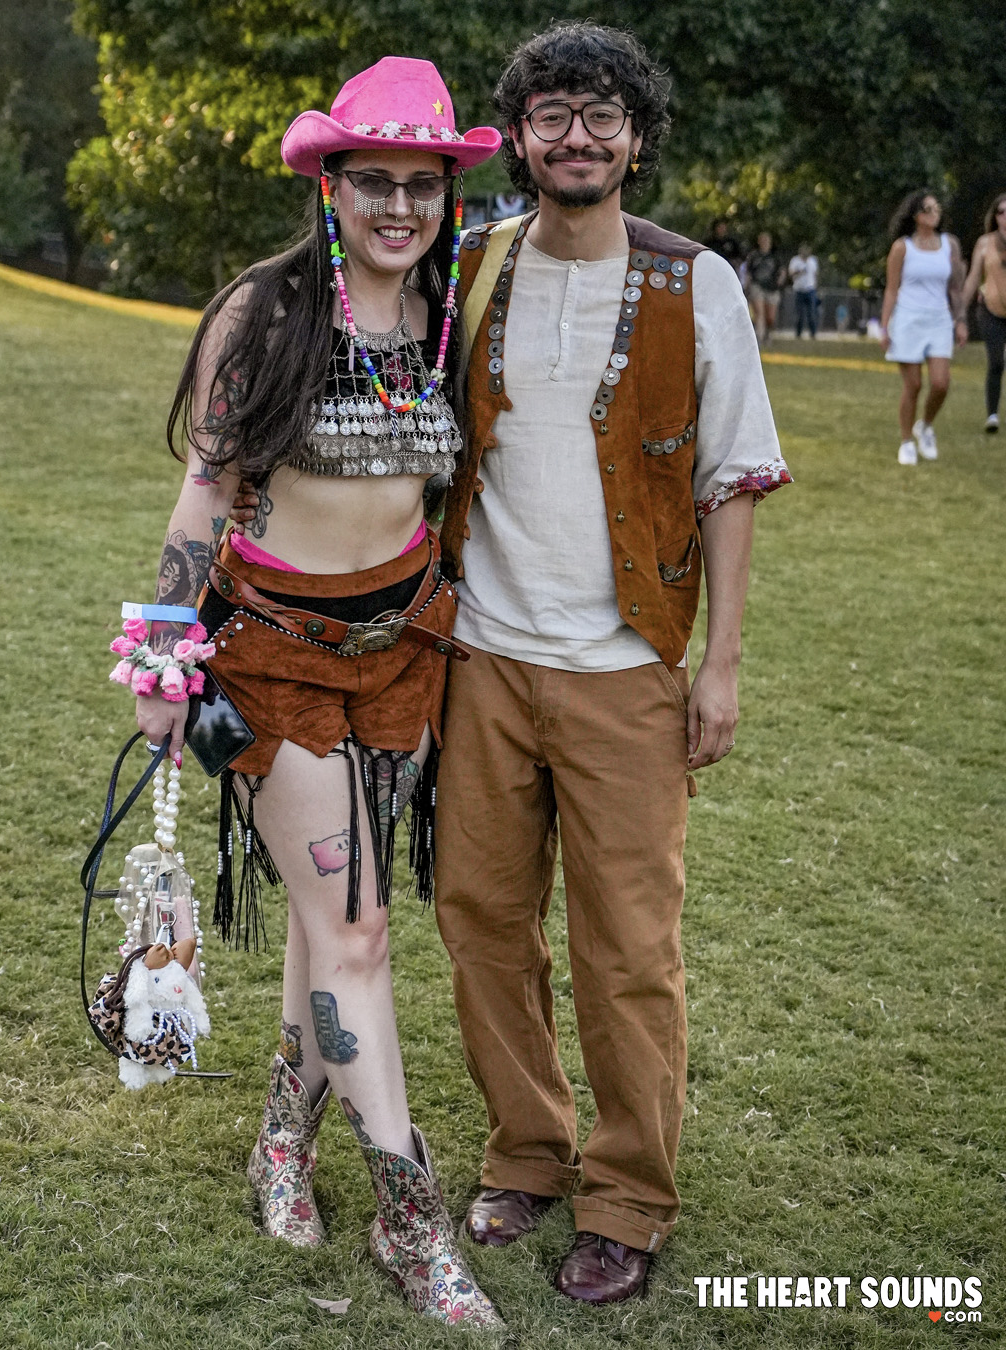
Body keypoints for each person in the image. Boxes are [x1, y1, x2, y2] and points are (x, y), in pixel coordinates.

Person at [126, 57, 504, 1330]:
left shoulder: (446, 316)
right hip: (273, 656)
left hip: (403, 653)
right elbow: (203, 490)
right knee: (358, 931)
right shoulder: (268, 312)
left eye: (423, 184)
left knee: (324, 922)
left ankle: (282, 1145)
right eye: (374, 180)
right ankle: (412, 1217)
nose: (400, 205)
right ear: (330, 184)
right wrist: (166, 657)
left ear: (449, 194)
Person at [433, 22, 791, 1305]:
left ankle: (629, 1195)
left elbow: (734, 479)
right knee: (480, 920)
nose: (575, 136)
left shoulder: (698, 282)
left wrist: (720, 666)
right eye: (552, 114)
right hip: (479, 656)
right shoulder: (472, 264)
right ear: (520, 136)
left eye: (601, 115)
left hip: (626, 664)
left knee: (629, 947)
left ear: (638, 138)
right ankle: (527, 1152)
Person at [879, 189, 967, 465]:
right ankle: (906, 442)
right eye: (928, 209)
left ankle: (925, 426)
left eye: (937, 208)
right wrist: (884, 326)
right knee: (914, 385)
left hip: (939, 320)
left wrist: (960, 320)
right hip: (908, 320)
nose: (934, 213)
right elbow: (891, 289)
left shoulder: (949, 245)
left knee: (941, 383)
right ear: (916, 215)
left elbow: (955, 287)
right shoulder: (902, 247)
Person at [960, 192, 1006, 433]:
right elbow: (972, 279)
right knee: (996, 362)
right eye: (1002, 212)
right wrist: (959, 312)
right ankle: (992, 416)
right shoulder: (985, 243)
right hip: (991, 311)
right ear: (995, 216)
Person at [744, 230, 786, 343]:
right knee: (759, 312)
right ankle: (760, 336)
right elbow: (748, 272)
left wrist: (780, 280)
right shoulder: (753, 256)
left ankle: (768, 334)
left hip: (772, 287)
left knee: (770, 317)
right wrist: (747, 285)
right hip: (757, 285)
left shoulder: (775, 256)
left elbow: (782, 270)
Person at [788, 242, 819, 338]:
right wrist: (799, 272)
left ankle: (813, 333)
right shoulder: (795, 260)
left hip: (810, 290)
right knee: (799, 314)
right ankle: (798, 333)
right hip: (799, 290)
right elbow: (791, 273)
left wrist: (816, 286)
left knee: (812, 313)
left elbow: (815, 274)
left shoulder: (813, 260)